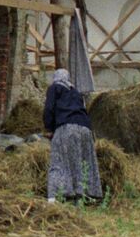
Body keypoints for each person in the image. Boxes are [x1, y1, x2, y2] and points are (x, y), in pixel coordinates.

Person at [42, 68, 102, 204]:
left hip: (67, 127)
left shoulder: (54, 88)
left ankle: (53, 197)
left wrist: (49, 128)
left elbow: (49, 109)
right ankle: (86, 195)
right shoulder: (75, 92)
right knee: (82, 161)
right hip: (86, 129)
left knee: (58, 160)